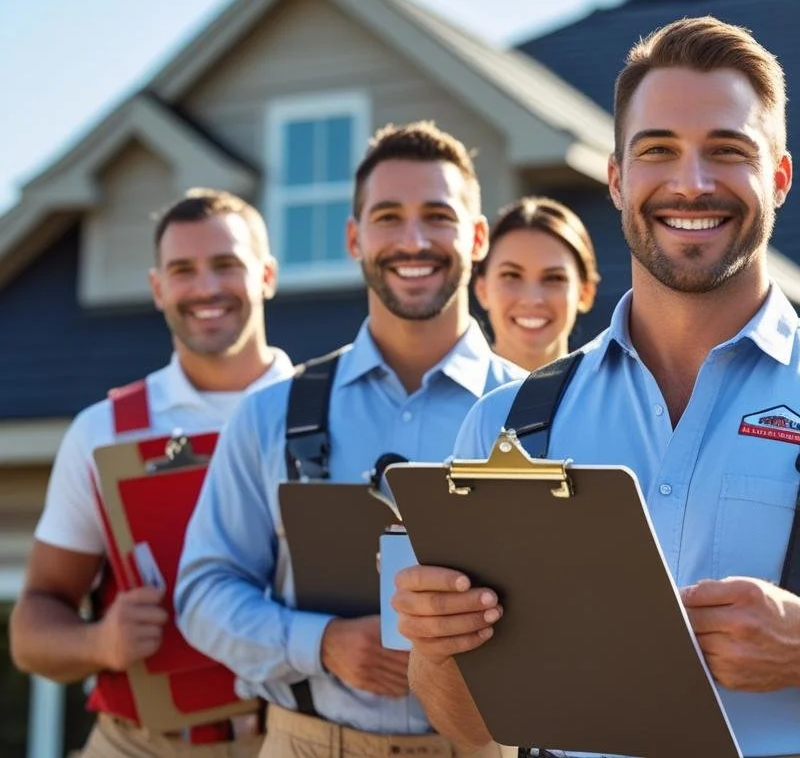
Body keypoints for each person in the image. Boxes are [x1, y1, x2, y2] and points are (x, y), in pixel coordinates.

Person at [393, 16, 800, 758]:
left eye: (728, 152)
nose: (691, 183)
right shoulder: (504, 429)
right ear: (617, 177)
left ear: (782, 179)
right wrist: (437, 647)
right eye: (658, 151)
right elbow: (471, 726)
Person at [175, 121, 520, 757]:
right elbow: (202, 593)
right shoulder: (269, 415)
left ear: (476, 238)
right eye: (388, 217)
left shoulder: (540, 413)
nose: (412, 240)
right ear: (355, 238)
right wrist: (323, 642)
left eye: (437, 216)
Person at [11, 190, 294, 757]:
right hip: (141, 744)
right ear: (158, 287)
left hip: (293, 741)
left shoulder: (323, 412)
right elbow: (31, 629)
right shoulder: (104, 431)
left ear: (265, 274)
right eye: (183, 270)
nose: (207, 288)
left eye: (226, 265)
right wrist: (98, 641)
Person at [471, 196, 600, 372]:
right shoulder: (448, 397)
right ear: (481, 289)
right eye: (511, 275)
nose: (532, 299)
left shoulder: (615, 397)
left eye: (554, 278)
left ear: (586, 292)